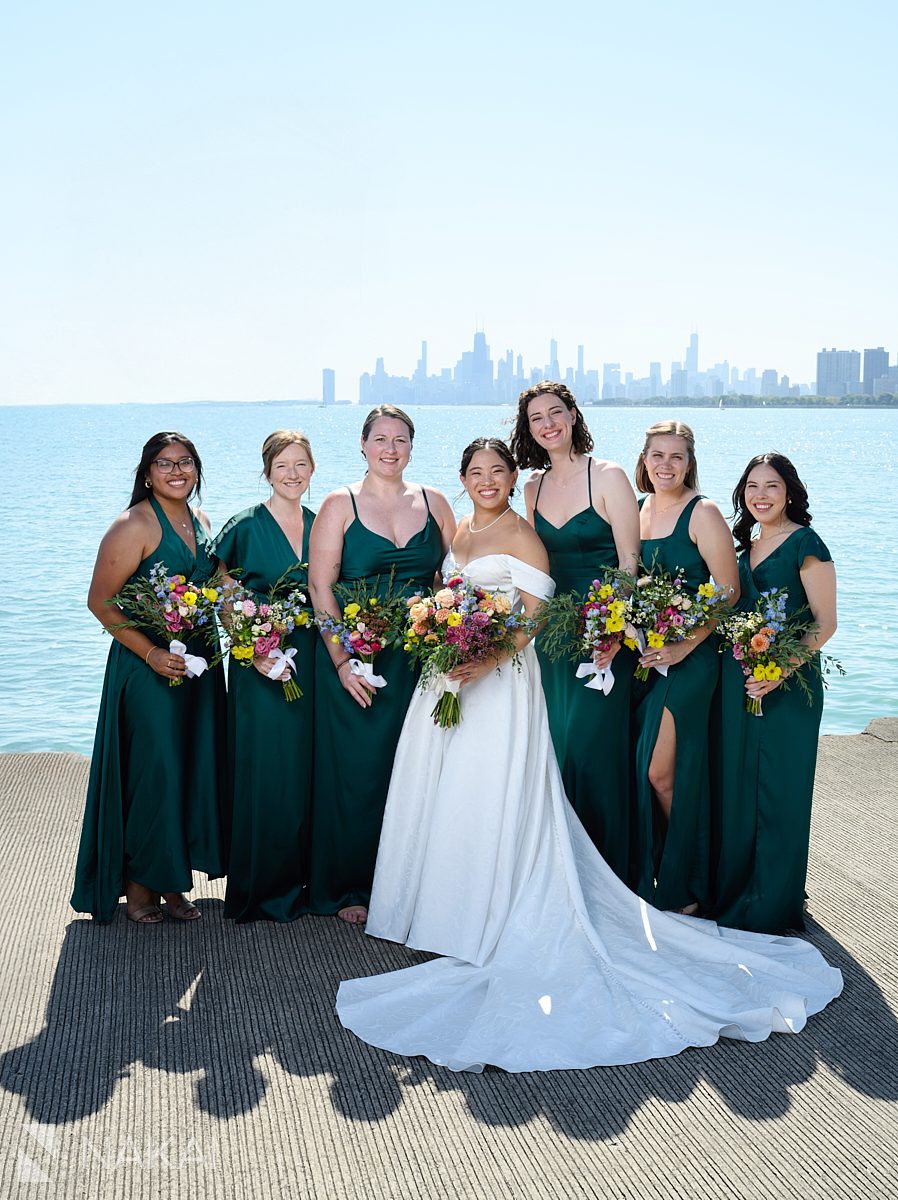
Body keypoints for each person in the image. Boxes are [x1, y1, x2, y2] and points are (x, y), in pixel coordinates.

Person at [335, 438, 841, 1073]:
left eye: (497, 470)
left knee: (607, 775)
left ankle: (689, 886)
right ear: (462, 478)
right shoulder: (464, 525)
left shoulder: (545, 527)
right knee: (455, 788)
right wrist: (445, 629)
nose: (487, 480)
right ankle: (443, 904)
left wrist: (502, 653)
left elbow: (561, 603)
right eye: (476, 472)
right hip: (492, 668)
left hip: (537, 668)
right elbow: (458, 590)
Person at [306, 405, 454, 923]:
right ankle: (351, 885)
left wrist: (455, 641)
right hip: (360, 658)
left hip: (421, 659)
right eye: (381, 439)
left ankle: (414, 881)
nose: (391, 449)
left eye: (401, 440)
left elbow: (452, 581)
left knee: (419, 768)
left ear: (411, 446)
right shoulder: (338, 504)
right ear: (363, 444)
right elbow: (320, 587)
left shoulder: (435, 502)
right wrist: (342, 661)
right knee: (360, 772)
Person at [71, 432, 226, 924]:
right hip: (147, 669)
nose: (177, 471)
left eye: (186, 462)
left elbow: (218, 585)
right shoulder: (132, 524)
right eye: (165, 463)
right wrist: (153, 653)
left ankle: (172, 881)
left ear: (197, 469)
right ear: (146, 473)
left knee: (187, 768)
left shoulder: (201, 520)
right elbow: (101, 602)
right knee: (153, 773)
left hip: (198, 664)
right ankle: (139, 885)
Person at [512, 382, 640, 881]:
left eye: (555, 413)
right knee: (561, 745)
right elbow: (534, 566)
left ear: (572, 415)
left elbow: (629, 560)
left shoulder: (607, 475)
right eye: (536, 418)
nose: (548, 424)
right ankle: (565, 871)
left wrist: (611, 626)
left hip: (600, 634)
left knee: (594, 750)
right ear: (528, 429)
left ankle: (610, 872)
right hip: (552, 636)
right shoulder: (532, 487)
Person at [713, 454, 837, 933]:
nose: (760, 495)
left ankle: (774, 900)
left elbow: (825, 622)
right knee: (742, 787)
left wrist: (779, 670)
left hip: (789, 686)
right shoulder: (745, 546)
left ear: (789, 493)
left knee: (781, 790)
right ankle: (742, 889)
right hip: (744, 683)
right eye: (752, 486)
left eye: (771, 486)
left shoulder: (806, 543)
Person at [632, 420, 739, 914]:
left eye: (677, 456)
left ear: (689, 462)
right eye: (657, 455)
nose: (666, 465)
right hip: (645, 658)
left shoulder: (704, 512)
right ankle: (659, 871)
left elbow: (728, 591)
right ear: (644, 459)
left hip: (690, 660)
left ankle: (690, 883)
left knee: (661, 773)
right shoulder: (636, 509)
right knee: (644, 769)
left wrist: (684, 644)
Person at [212, 430, 316, 922]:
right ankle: (258, 887)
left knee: (302, 768)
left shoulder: (322, 522)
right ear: (267, 471)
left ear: (312, 469)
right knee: (263, 768)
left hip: (309, 661)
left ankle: (302, 880)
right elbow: (219, 587)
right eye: (282, 466)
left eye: (301, 465)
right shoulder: (245, 525)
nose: (292, 474)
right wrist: (252, 646)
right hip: (258, 664)